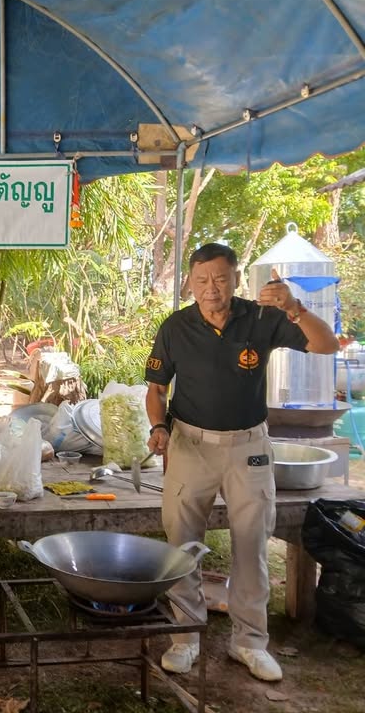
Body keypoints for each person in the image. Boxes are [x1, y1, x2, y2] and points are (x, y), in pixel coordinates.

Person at [144, 243, 339, 682]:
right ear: (190, 283)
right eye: (201, 280)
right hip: (190, 445)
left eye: (219, 278)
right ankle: (185, 637)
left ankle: (249, 642)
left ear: (235, 278)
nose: (210, 289)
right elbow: (156, 389)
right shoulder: (176, 327)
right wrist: (159, 428)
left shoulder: (265, 318)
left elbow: (325, 345)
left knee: (252, 543)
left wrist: (294, 306)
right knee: (181, 541)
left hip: (248, 447)